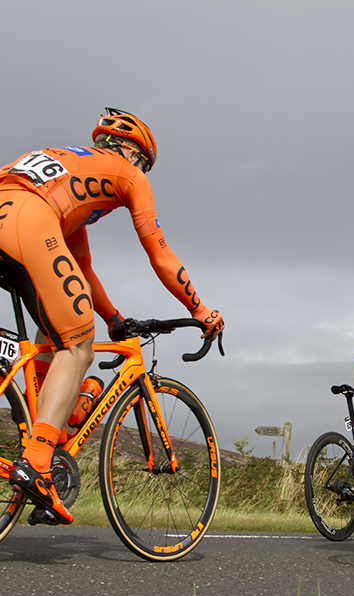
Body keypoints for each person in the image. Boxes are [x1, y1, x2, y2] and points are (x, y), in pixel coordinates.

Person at [0, 108, 224, 526]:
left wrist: (114, 318)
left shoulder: (70, 180)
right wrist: (199, 309)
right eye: (145, 165)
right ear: (134, 153)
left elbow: (83, 272)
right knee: (79, 347)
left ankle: (41, 428)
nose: (143, 173)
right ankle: (36, 461)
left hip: (12, 209)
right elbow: (159, 253)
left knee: (54, 334)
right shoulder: (129, 175)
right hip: (26, 218)